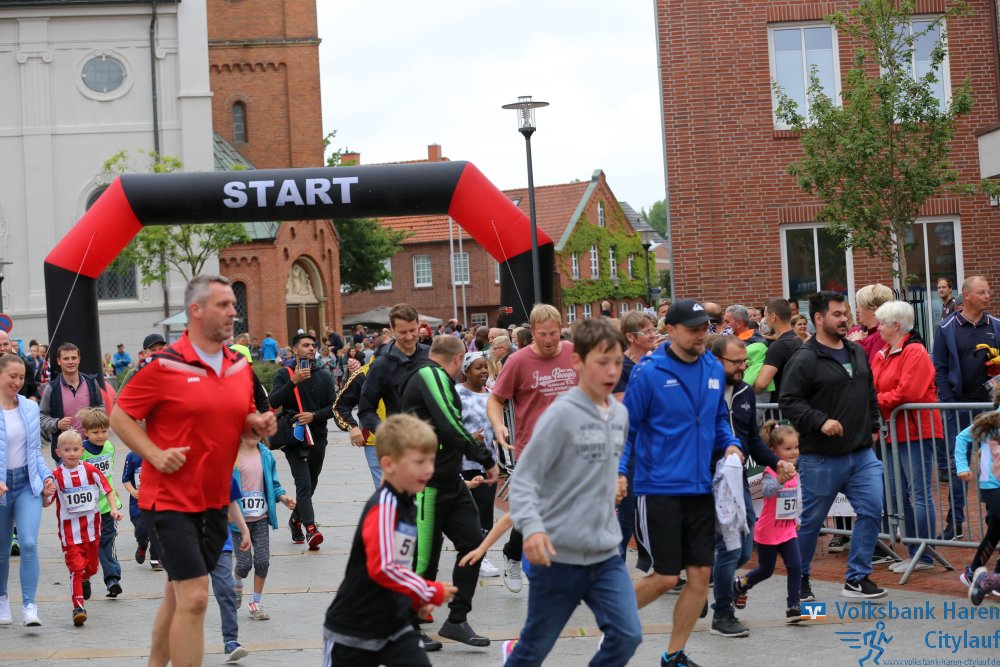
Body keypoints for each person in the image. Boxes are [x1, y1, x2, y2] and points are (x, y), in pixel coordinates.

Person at [110, 274, 276, 667]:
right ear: (196, 310)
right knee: (197, 596)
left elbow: (237, 421)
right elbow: (120, 415)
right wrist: (153, 453)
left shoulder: (239, 366)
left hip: (214, 501)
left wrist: (257, 424)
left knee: (177, 596)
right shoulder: (164, 365)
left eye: (233, 304)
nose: (233, 312)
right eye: (224, 305)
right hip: (168, 501)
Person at [503, 318, 642, 666]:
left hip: (604, 552)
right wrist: (533, 528)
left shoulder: (619, 414)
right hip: (557, 555)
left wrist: (614, 481)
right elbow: (525, 480)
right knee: (533, 650)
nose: (612, 371)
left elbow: (597, 466)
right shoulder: (560, 415)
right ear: (577, 362)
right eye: (602, 362)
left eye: (617, 362)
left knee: (627, 635)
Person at [621, 300, 743, 667]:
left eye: (704, 327)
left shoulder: (713, 367)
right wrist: (620, 473)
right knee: (663, 577)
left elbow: (718, 418)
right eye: (692, 329)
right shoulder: (648, 372)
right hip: (658, 487)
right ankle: (611, 614)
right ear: (670, 330)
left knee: (700, 575)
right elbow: (627, 429)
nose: (700, 334)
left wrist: (731, 443)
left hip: (700, 487)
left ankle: (673, 655)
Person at [323, 414, 456, 666]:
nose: (429, 469)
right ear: (389, 464)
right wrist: (429, 590)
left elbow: (399, 564)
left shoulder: (409, 502)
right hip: (353, 631)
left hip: (395, 626)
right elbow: (384, 568)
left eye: (431, 460)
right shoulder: (385, 506)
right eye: (419, 462)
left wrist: (414, 602)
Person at [779, 291, 887, 601]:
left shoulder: (856, 351)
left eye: (845, 313)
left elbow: (868, 391)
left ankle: (857, 578)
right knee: (812, 522)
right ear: (818, 318)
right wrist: (820, 421)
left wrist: (873, 426)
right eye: (837, 314)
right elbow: (789, 400)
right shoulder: (805, 357)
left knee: (872, 510)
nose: (844, 319)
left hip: (861, 454)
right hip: (821, 457)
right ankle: (800, 583)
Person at [400, 335, 498, 650]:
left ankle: (456, 620)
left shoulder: (438, 377)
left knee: (473, 545)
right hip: (426, 485)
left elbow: (447, 427)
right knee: (424, 561)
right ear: (458, 359)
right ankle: (407, 627)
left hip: (449, 481)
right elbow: (450, 423)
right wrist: (486, 459)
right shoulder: (430, 374)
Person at [487, 304, 578, 593]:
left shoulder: (573, 353)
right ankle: (513, 554)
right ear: (532, 333)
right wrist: (498, 425)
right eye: (542, 335)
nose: (549, 340)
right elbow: (495, 399)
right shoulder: (518, 361)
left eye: (553, 333)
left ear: (561, 328)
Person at [708, 336, 793, 638]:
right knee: (728, 548)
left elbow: (753, 439)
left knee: (743, 549)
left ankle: (707, 579)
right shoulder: (702, 391)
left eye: (744, 361)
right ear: (715, 361)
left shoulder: (745, 391)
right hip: (706, 477)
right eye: (736, 362)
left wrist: (776, 462)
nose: (743, 367)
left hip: (737, 479)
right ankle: (722, 614)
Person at [870, 301, 941, 573]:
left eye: (882, 323)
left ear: (896, 325)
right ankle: (914, 551)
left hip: (915, 431)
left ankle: (924, 554)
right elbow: (875, 388)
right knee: (899, 494)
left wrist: (874, 401)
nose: (878, 328)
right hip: (892, 431)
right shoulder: (884, 353)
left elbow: (907, 393)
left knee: (918, 493)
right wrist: (875, 400)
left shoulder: (915, 352)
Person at [933, 276, 1000, 541]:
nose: (988, 296)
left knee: (992, 463)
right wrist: (950, 402)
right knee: (957, 463)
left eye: (988, 291)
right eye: (982, 292)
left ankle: (994, 519)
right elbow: (939, 367)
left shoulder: (995, 325)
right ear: (967, 295)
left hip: (991, 409)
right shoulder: (946, 328)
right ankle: (955, 522)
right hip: (958, 406)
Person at [269, 331, 337, 549]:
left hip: (317, 437)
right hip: (295, 438)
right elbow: (273, 401)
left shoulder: (324, 375)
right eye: (306, 345)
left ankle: (295, 520)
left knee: (312, 482)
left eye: (313, 345)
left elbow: (334, 407)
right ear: (295, 350)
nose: (311, 348)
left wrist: (314, 415)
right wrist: (293, 382)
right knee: (304, 483)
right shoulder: (285, 374)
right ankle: (311, 528)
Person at [0, 353, 54, 626]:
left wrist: (47, 477)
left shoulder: (30, 408)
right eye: (12, 376)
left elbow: (35, 452)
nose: (18, 382)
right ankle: (2, 599)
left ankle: (29, 606)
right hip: (1, 488)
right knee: (1, 551)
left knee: (29, 543)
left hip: (26, 484)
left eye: (21, 377)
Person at [733, 421, 803, 623]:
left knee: (796, 566)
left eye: (796, 447)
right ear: (773, 451)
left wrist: (797, 516)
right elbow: (766, 492)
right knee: (766, 570)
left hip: (788, 530)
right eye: (788, 448)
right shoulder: (769, 472)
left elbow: (796, 496)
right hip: (768, 531)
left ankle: (794, 606)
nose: (794, 452)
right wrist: (780, 479)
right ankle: (740, 584)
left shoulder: (795, 470)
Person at [51, 430, 122, 626]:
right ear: (58, 452)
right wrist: (46, 493)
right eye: (67, 450)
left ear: (82, 451)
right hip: (69, 534)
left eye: (75, 449)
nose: (72, 453)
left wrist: (114, 509)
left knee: (91, 567)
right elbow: (47, 502)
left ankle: (85, 579)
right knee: (76, 568)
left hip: (92, 530)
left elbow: (107, 489)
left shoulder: (90, 470)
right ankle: (78, 607)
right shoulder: (56, 476)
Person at [232, 434, 295, 620]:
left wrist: (284, 498)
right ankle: (237, 582)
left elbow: (273, 485)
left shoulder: (266, 455)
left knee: (262, 562)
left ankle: (256, 603)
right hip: (238, 521)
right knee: (244, 565)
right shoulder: (230, 455)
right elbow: (221, 485)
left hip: (261, 517)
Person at [612, 311, 658, 559]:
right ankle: (614, 566)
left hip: (655, 447)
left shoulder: (657, 362)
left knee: (654, 510)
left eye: (653, 329)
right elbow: (624, 409)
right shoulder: (620, 366)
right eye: (647, 331)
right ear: (631, 337)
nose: (653, 335)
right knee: (628, 510)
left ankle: (659, 565)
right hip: (628, 447)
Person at [456, 352, 501, 577]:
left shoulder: (492, 395)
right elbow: (449, 425)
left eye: (485, 367)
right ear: (466, 371)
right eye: (477, 367)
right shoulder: (456, 394)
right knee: (466, 513)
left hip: (487, 463)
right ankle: (472, 554)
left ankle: (481, 556)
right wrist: (469, 437)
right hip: (463, 463)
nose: (483, 371)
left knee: (485, 511)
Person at [77, 407, 124, 597]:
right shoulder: (81, 452)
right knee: (87, 545)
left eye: (104, 431)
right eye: (95, 432)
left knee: (107, 541)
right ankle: (84, 576)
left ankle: (112, 579)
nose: (101, 435)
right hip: (86, 508)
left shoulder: (110, 447)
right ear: (86, 432)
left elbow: (109, 474)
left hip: (107, 507)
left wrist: (114, 493)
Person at [957, 393, 1000, 590]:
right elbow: (961, 438)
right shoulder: (992, 420)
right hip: (992, 485)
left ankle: (972, 573)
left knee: (995, 531)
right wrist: (962, 466)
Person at [40, 342, 105, 462]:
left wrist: (95, 416)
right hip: (65, 453)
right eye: (66, 358)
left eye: (74, 358)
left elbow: (102, 406)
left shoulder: (91, 383)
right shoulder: (52, 388)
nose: (70, 362)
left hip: (92, 450)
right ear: (59, 361)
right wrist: (56, 424)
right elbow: (42, 417)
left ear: (79, 359)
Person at [212, 476, 252, 663]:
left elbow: (231, 501)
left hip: (220, 542)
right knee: (192, 599)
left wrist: (244, 530)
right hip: (190, 542)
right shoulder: (184, 465)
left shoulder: (223, 470)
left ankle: (230, 641)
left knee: (226, 589)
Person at [753, 297, 802, 403]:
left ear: (773, 317)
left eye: (765, 316)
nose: (765, 321)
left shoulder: (779, 346)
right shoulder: (798, 340)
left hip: (781, 405)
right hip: (796, 402)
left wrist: (748, 389)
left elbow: (761, 384)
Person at [121, 448, 161, 571]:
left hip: (158, 499)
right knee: (141, 530)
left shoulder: (161, 453)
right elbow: (126, 479)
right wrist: (132, 491)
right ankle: (142, 545)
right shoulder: (132, 456)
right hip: (139, 502)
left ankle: (155, 558)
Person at [723, 305, 771, 396]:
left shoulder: (753, 345)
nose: (724, 325)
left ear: (738, 323)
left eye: (727, 322)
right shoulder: (755, 339)